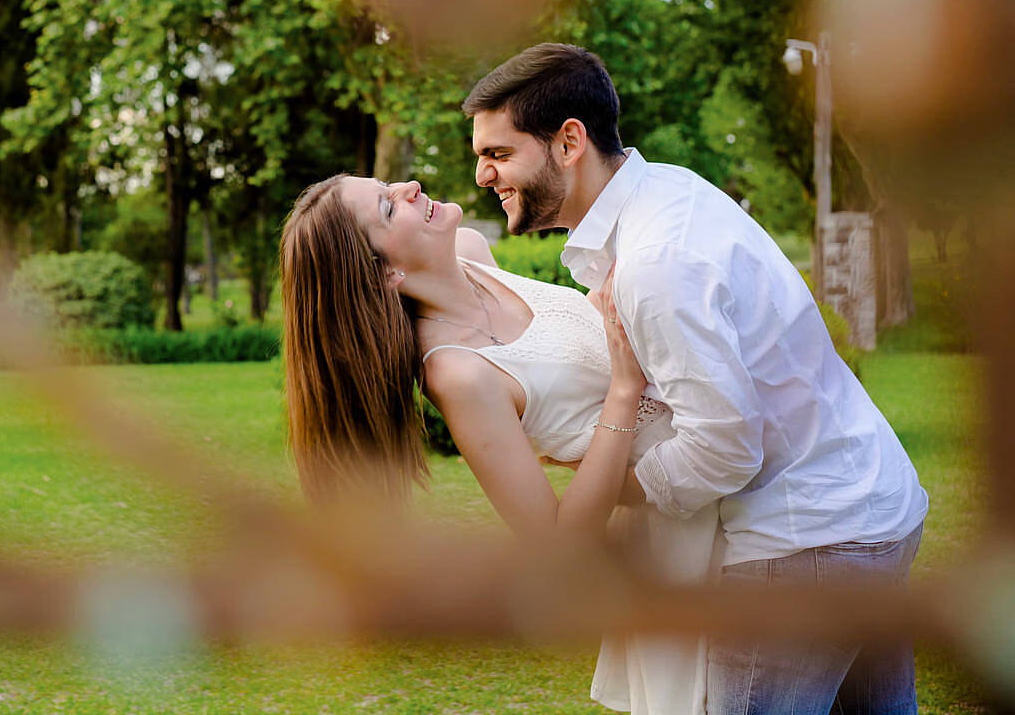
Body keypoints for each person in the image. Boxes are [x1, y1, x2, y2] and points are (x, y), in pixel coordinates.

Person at [464, 42, 928, 715]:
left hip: (802, 549)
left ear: (569, 141)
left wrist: (617, 482)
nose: (480, 175)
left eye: (498, 154)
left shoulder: (657, 260)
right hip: (871, 508)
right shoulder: (668, 192)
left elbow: (727, 447)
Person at [281, 173, 718, 715]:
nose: (410, 187)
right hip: (682, 531)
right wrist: (624, 393)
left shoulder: (471, 250)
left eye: (388, 184)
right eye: (388, 209)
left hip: (725, 448)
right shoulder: (460, 375)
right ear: (387, 273)